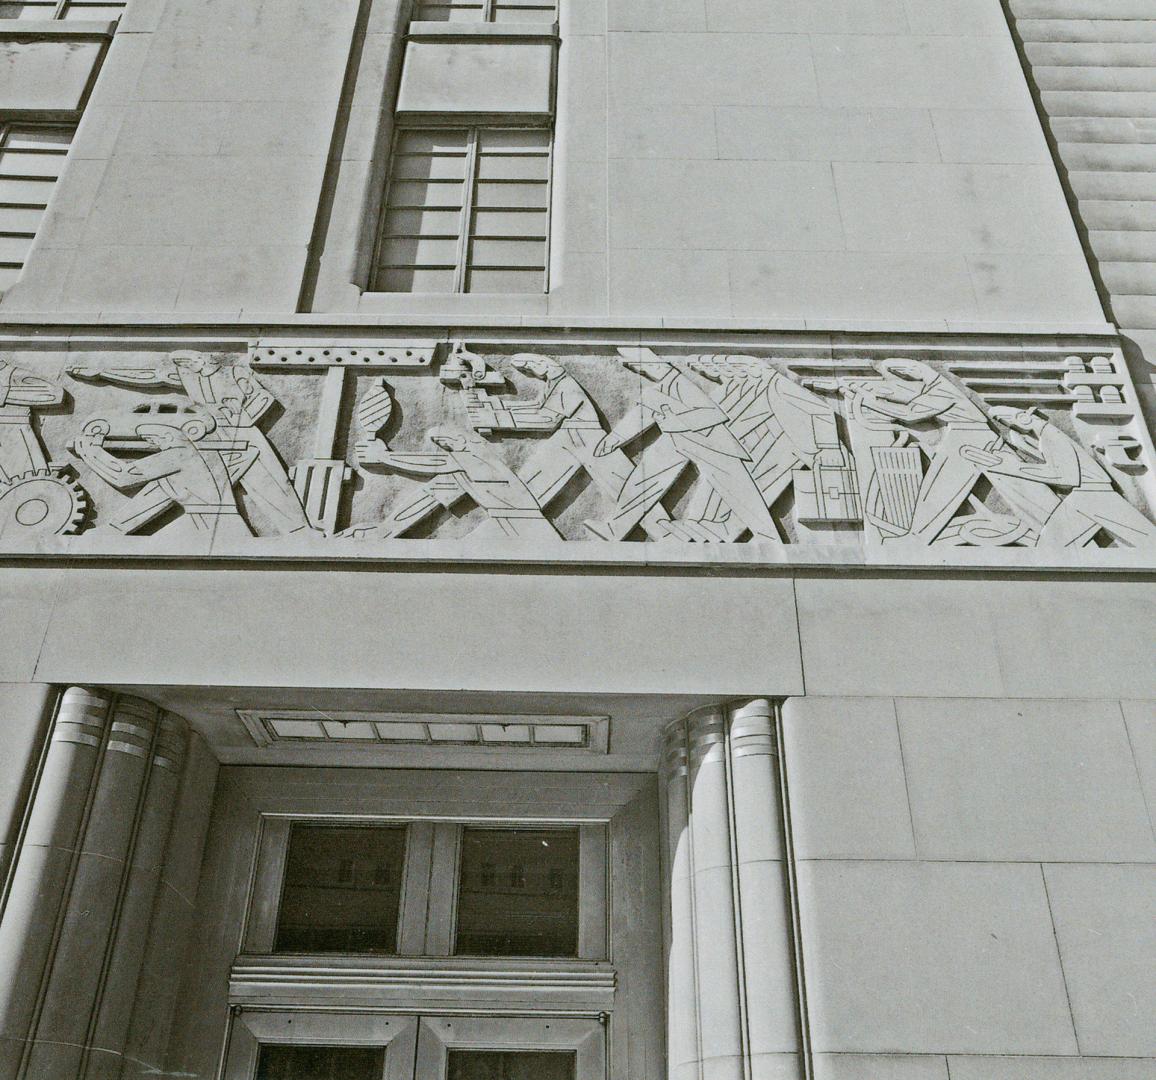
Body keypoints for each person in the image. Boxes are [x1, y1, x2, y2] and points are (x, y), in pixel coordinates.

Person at [68, 351, 310, 533]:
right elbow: (150, 376)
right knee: (170, 481)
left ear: (204, 360)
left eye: (190, 363)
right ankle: (115, 528)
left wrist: (239, 420)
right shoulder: (187, 376)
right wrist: (103, 373)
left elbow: (263, 398)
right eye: (183, 366)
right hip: (205, 438)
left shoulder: (235, 372)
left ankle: (299, 533)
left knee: (272, 486)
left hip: (244, 437)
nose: (187, 368)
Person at [586, 350, 780, 542]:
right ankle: (614, 529)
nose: (643, 371)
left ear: (655, 365)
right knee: (642, 481)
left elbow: (713, 414)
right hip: (676, 442)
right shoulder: (655, 391)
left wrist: (673, 421)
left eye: (644, 366)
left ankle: (769, 539)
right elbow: (639, 417)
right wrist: (613, 440)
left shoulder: (680, 383)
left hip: (712, 445)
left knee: (743, 495)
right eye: (640, 368)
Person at [965, 407, 1156, 549]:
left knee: (1147, 539)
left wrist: (1011, 467)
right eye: (1009, 426)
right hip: (1080, 500)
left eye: (1011, 422)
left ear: (1023, 417)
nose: (1013, 428)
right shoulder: (1044, 439)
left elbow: (1064, 476)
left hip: (1095, 495)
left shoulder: (1051, 436)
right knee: (1050, 548)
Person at [351, 425, 560, 541]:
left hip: (525, 523)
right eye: (441, 444)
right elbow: (428, 497)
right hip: (502, 522)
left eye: (445, 442)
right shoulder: (460, 472)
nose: (444, 446)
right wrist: (385, 530)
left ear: (461, 440)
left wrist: (384, 457)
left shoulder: (476, 459)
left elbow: (433, 463)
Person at [69, 411, 256, 540]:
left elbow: (124, 476)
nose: (152, 444)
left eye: (153, 439)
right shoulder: (173, 471)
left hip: (217, 528)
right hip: (202, 524)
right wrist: (114, 529)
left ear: (168, 437)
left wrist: (90, 451)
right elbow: (152, 499)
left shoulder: (179, 454)